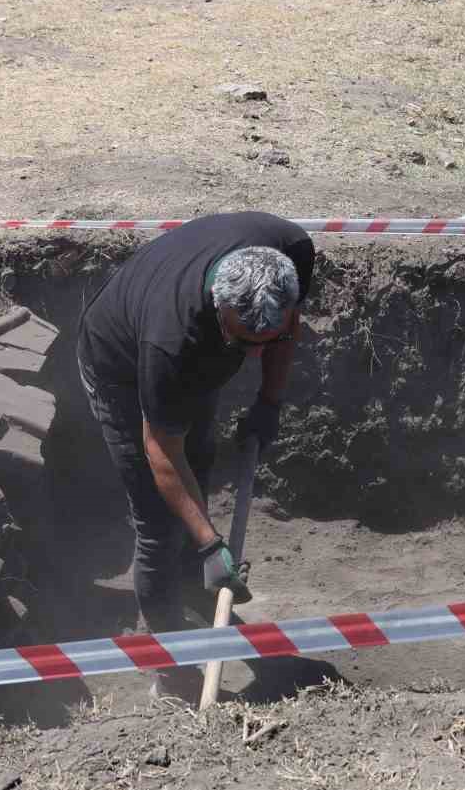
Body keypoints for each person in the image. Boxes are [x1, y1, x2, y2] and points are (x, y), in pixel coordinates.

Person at [76, 212, 315, 699]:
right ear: (216, 306)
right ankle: (167, 663)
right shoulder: (171, 340)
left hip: (196, 348)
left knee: (199, 461)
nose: (252, 356)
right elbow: (161, 450)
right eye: (241, 343)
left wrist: (269, 400)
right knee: (160, 521)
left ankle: (190, 588)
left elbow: (287, 329)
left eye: (260, 345)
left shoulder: (291, 250)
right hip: (118, 366)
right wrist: (211, 544)